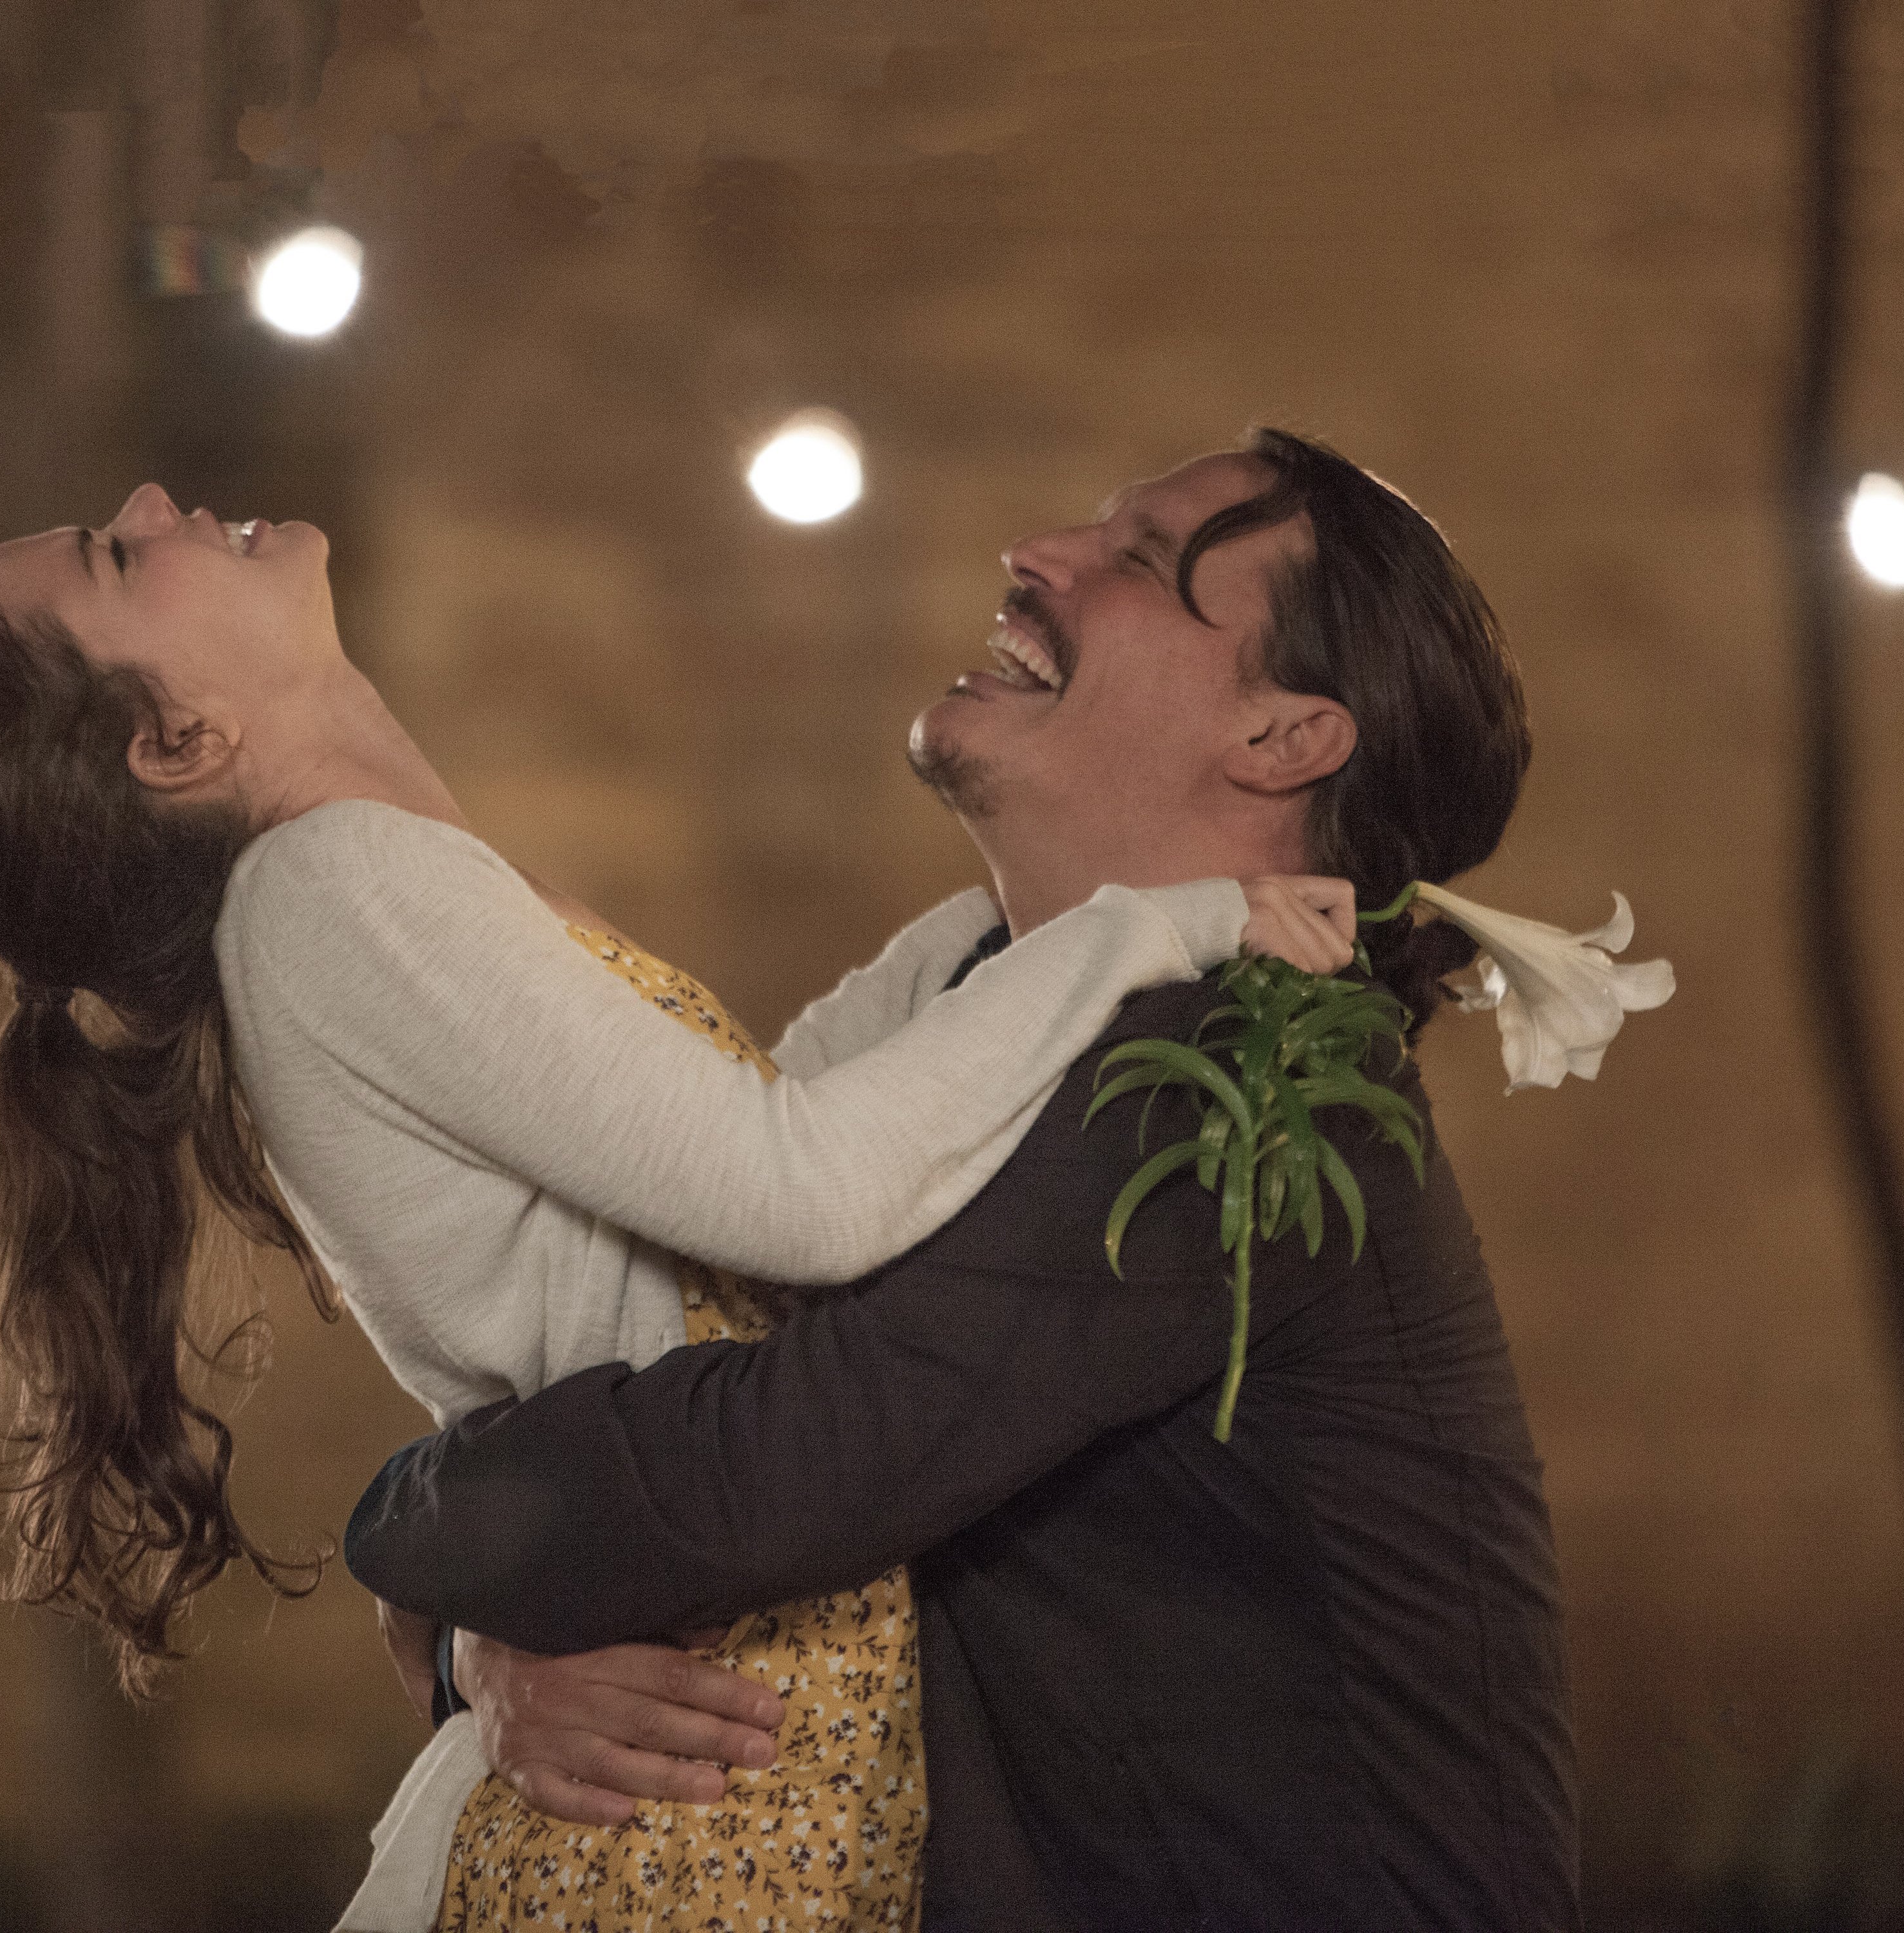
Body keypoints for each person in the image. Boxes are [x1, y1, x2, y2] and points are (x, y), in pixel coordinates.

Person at [0, 479, 1360, 1928]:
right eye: (116, 558)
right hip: (698, 1816)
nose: (152, 504)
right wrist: (1148, 925)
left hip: (728, 1770)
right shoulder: (331, 887)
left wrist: (1015, 927)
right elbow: (810, 1197)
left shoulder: (359, 888)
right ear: (178, 740)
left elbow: (756, 1152)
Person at [343, 428, 1582, 1930]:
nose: (1033, 553)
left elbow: (775, 1465)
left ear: (1281, 739)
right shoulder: (985, 1010)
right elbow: (714, 1441)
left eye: (1141, 561)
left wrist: (407, 1535)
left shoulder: (1244, 1085)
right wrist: (484, 1651)